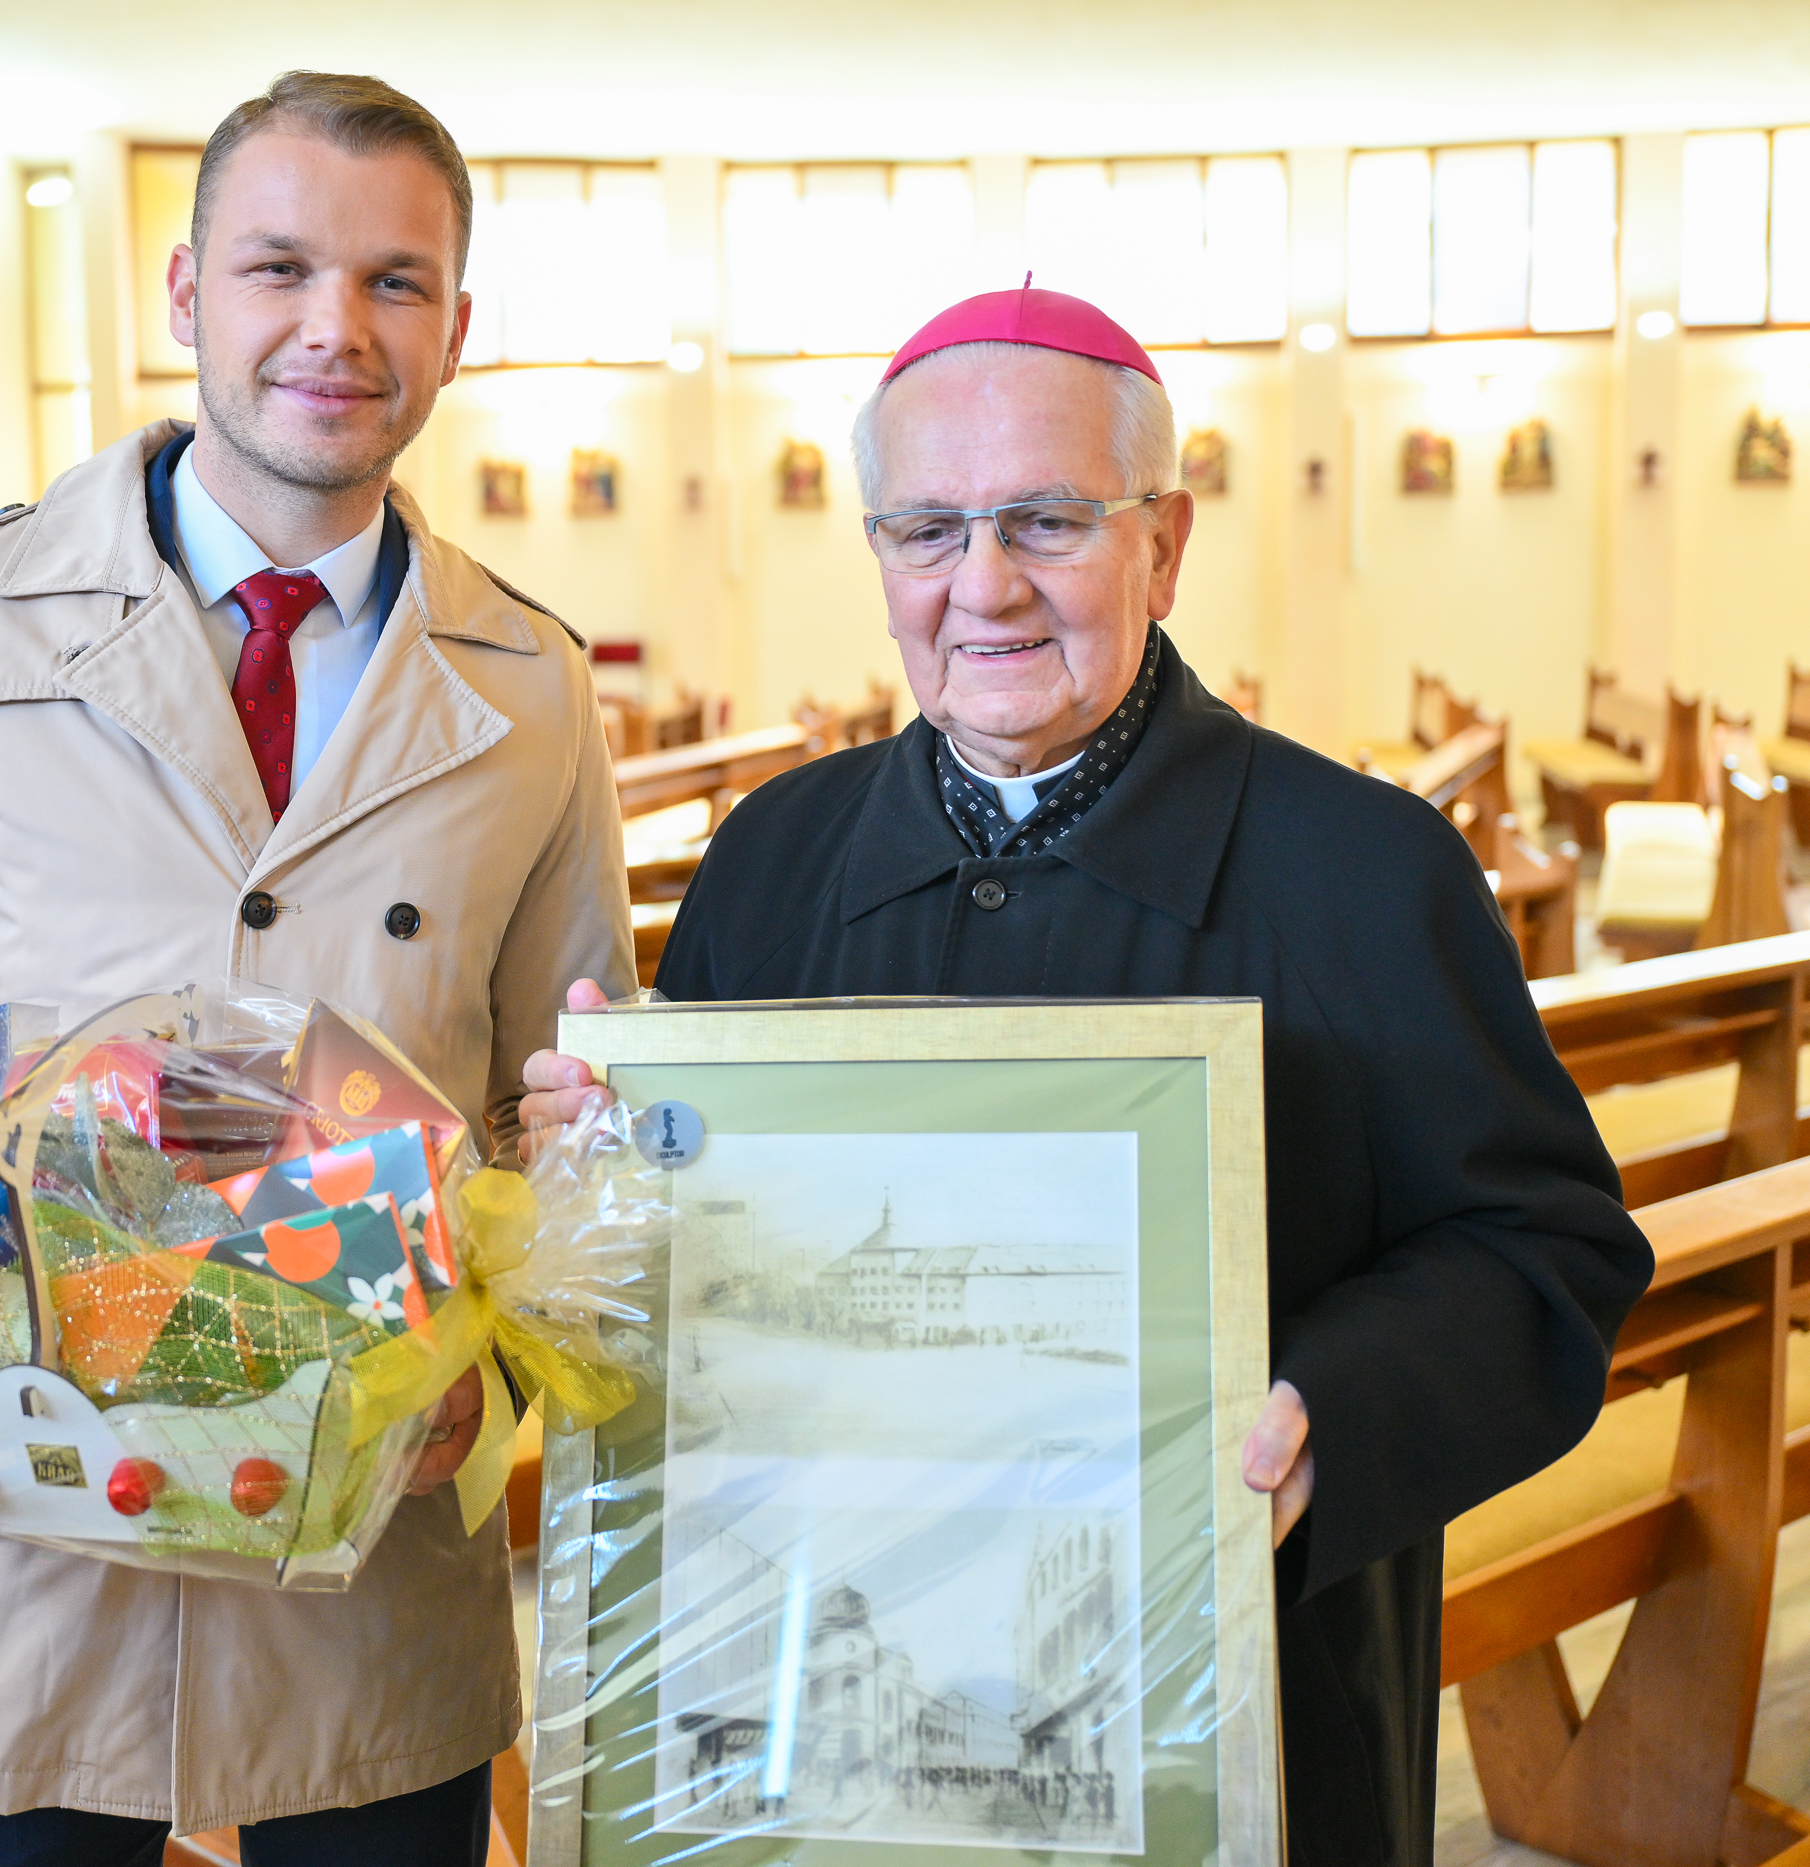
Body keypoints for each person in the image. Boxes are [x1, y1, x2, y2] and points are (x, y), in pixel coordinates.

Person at [517, 286, 1652, 1867]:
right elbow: (696, 1272)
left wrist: (1324, 1413)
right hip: (817, 1714)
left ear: (1164, 546)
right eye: (925, 531)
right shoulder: (772, 858)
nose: (982, 587)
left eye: (1046, 521)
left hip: (1236, 1697)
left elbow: (1545, 1252)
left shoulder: (1366, 872)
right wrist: (608, 1179)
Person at [0, 70, 633, 1866]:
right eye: (279, 268)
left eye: (397, 282)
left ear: (457, 330)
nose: (336, 327)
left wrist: (498, 1373)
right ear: (185, 295)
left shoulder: (533, 682)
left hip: (364, 1572)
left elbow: (565, 1121)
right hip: (18, 1542)